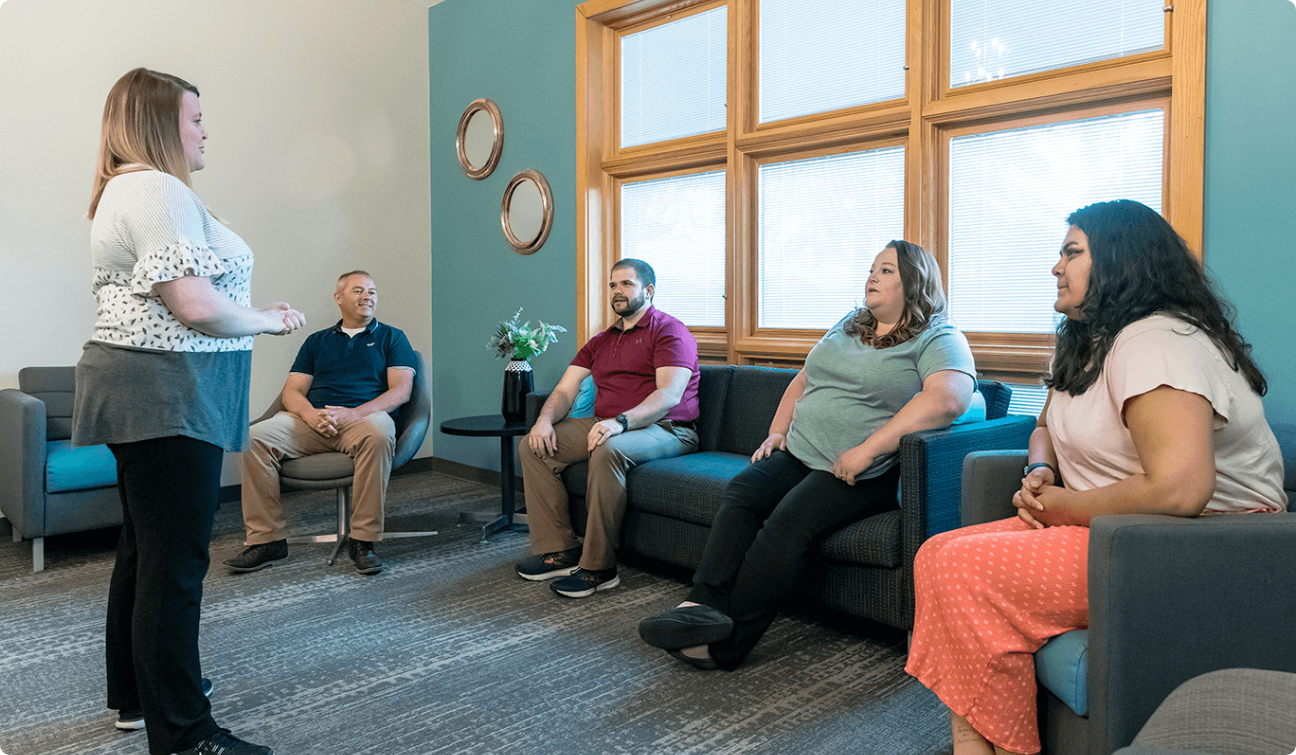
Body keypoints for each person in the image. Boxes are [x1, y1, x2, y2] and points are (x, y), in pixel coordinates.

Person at [904, 200, 1288, 755]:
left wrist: (1058, 508)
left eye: (1071, 253)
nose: (1055, 267)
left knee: (964, 570)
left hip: (1202, 546)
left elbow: (1180, 488)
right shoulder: (1096, 343)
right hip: (1117, 532)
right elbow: (1047, 425)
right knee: (936, 556)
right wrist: (1041, 468)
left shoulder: (1157, 341)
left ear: (1120, 263)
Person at [73, 68, 304, 755]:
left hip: (151, 388)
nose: (205, 131)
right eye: (196, 118)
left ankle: (139, 698)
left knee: (145, 552)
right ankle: (185, 736)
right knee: (174, 563)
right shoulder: (154, 186)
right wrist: (265, 318)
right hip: (167, 391)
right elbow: (196, 304)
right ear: (160, 123)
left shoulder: (129, 187)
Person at [638, 241, 977, 671]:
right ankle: (698, 608)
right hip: (801, 451)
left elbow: (948, 399)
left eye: (886, 270)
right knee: (742, 490)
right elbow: (805, 377)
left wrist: (868, 450)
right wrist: (777, 431)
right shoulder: (851, 324)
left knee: (787, 523)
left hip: (859, 467)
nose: (872, 276)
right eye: (872, 268)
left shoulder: (939, 336)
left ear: (916, 283)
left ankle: (727, 642)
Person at [517, 258, 701, 598]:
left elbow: (668, 394)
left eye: (626, 284)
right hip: (610, 423)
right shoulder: (602, 340)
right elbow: (564, 390)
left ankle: (599, 567)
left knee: (606, 448)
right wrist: (542, 421)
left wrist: (620, 423)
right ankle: (559, 550)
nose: (617, 291)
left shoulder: (670, 331)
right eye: (613, 285)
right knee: (532, 445)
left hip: (667, 428)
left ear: (648, 291)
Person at [224, 271, 417, 575]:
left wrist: (353, 414)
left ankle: (363, 540)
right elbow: (292, 391)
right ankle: (267, 541)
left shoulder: (392, 337)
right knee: (255, 437)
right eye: (358, 290)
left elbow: (401, 391)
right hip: (313, 422)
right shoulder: (317, 341)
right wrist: (310, 415)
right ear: (339, 298)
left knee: (379, 433)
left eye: (372, 291)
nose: (367, 296)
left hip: (363, 421)